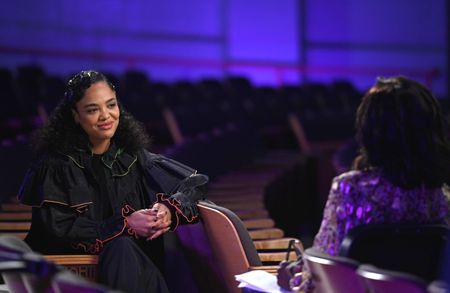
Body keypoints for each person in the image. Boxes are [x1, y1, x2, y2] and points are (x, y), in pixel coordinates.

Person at [18, 70, 208, 292]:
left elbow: (195, 184)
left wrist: (167, 209)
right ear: (75, 115)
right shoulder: (55, 165)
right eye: (92, 109)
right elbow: (57, 231)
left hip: (130, 266)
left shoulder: (131, 156)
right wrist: (126, 224)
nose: (106, 116)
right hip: (74, 270)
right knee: (121, 247)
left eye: (111, 105)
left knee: (174, 251)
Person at [280, 76, 450, 292]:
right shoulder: (440, 197)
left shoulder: (349, 190)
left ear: (369, 130)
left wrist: (292, 281)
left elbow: (324, 276)